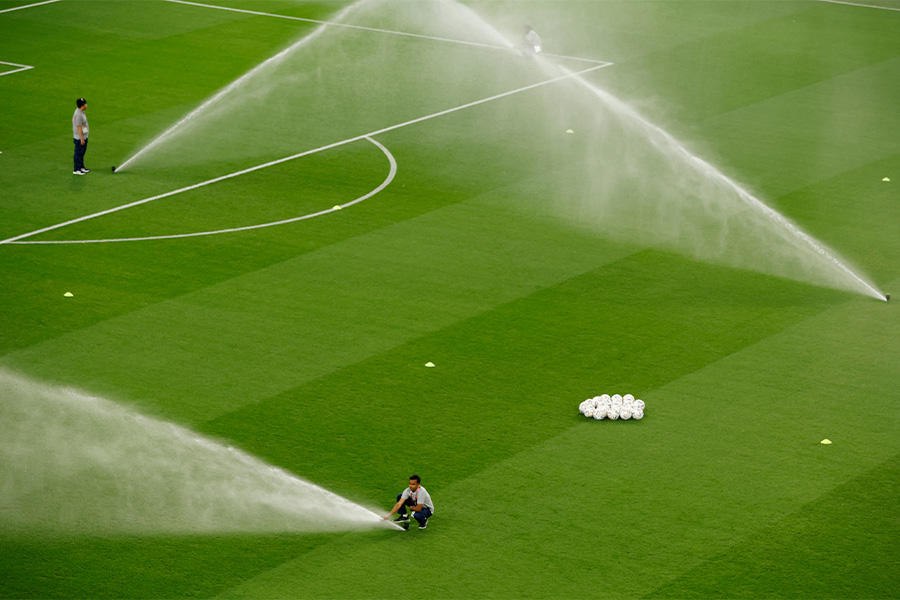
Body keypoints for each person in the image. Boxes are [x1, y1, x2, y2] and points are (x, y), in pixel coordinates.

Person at [72, 98, 90, 175]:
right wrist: (82, 139)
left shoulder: (81, 112)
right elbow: (79, 127)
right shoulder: (79, 114)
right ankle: (77, 169)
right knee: (78, 153)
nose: (87, 105)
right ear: (82, 106)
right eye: (85, 104)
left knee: (82, 153)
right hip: (80, 138)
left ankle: (81, 167)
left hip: (84, 136)